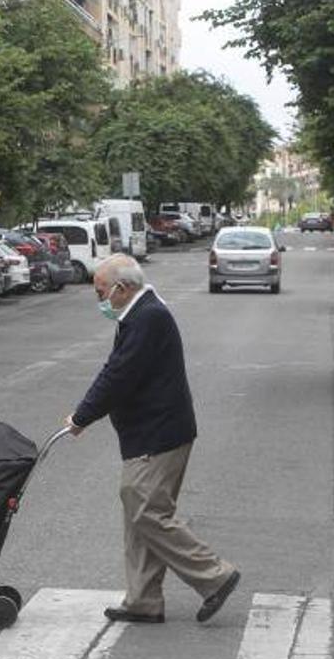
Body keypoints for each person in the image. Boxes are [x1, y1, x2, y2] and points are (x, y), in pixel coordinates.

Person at [65, 254, 240, 624]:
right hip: (153, 430)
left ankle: (215, 576)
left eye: (101, 293)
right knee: (140, 511)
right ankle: (144, 600)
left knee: (145, 509)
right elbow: (119, 371)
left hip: (157, 433)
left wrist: (82, 417)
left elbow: (118, 374)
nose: (100, 301)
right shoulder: (140, 312)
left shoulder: (147, 318)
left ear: (122, 288)